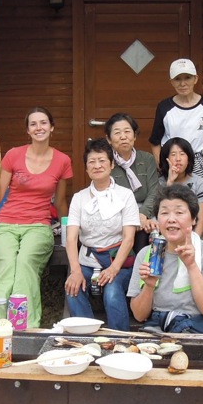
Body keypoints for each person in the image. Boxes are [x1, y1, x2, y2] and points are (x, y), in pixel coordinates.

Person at [0, 107, 73, 328]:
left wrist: (69, 232)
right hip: (6, 223)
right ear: (28, 130)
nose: (39, 128)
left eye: (43, 123)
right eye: (33, 124)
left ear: (52, 127)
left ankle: (23, 325)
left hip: (38, 226)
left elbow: (60, 202)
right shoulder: (13, 155)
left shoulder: (62, 160)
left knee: (25, 264)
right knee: (6, 266)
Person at [128, 183, 203, 334]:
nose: (171, 219)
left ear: (194, 219)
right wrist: (148, 286)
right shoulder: (146, 254)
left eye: (179, 212)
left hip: (198, 328)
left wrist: (192, 266)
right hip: (158, 327)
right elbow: (139, 315)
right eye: (164, 213)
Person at [64, 138, 140, 332]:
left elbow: (129, 238)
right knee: (73, 290)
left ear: (112, 164)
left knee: (112, 292)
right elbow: (71, 237)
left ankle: (119, 340)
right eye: (91, 162)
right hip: (87, 262)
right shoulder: (79, 198)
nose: (97, 166)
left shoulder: (126, 195)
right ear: (86, 168)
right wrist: (75, 270)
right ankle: (87, 339)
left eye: (102, 160)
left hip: (118, 262)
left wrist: (114, 269)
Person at [149, 59, 203, 196]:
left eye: (187, 78)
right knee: (172, 201)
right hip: (173, 162)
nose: (183, 83)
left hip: (199, 161)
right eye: (177, 79)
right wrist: (162, 165)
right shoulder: (164, 107)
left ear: (195, 79)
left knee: (197, 204)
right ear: (171, 82)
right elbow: (155, 141)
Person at [104, 113, 159, 251]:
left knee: (153, 229)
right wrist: (134, 218)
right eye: (117, 133)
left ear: (134, 136)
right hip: (118, 214)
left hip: (147, 213)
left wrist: (142, 215)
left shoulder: (147, 159)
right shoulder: (105, 162)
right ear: (109, 139)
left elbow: (154, 191)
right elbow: (107, 197)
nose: (123, 137)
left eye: (127, 132)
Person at [154, 137, 203, 237]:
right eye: (173, 154)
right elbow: (160, 215)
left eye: (182, 154)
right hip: (166, 234)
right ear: (166, 158)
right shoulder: (160, 183)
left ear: (189, 158)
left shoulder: (199, 182)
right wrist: (170, 182)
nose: (178, 159)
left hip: (193, 233)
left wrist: (193, 242)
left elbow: (201, 219)